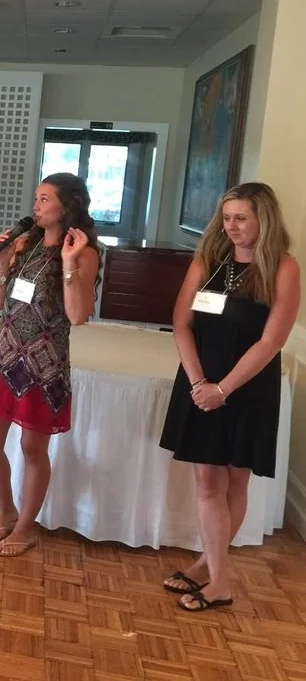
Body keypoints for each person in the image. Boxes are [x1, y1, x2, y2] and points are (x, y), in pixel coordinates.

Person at [159, 182, 299, 612]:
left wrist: (225, 389)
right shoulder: (209, 261)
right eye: (227, 217)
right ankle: (215, 576)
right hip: (201, 382)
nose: (232, 226)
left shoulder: (283, 268)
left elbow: (272, 340)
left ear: (264, 220)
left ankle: (212, 574)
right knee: (208, 483)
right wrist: (201, 384)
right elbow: (181, 323)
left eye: (242, 218)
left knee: (236, 481)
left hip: (247, 385)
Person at [0, 173, 100, 556]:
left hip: (44, 364)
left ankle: (25, 528)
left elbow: (78, 315)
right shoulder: (25, 242)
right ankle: (6, 509)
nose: (36, 206)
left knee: (33, 448)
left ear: (68, 206)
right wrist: (1, 261)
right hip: (6, 355)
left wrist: (67, 263)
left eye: (45, 199)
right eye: (37, 198)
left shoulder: (83, 251)